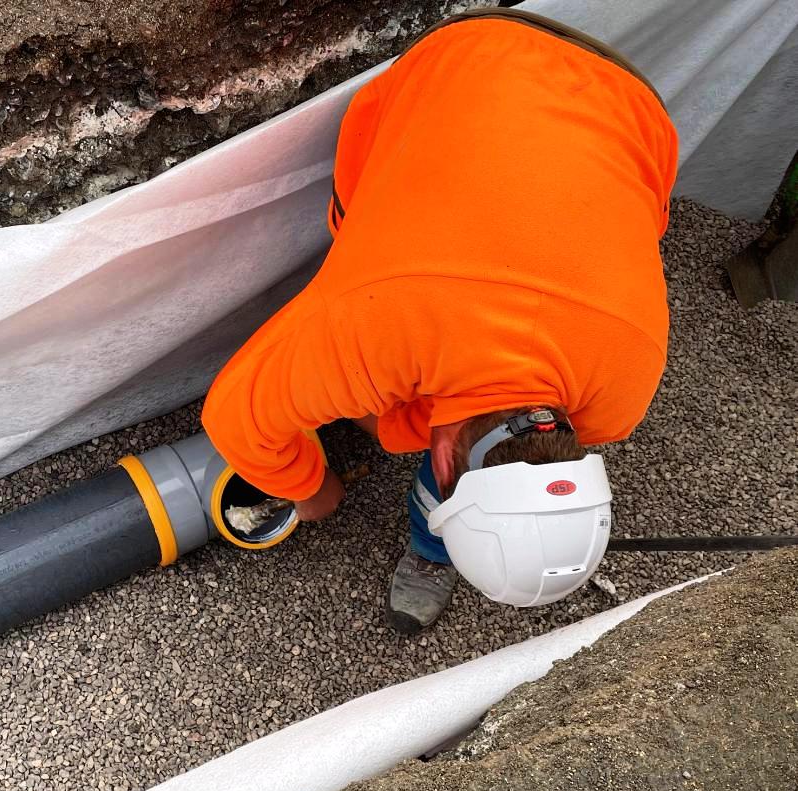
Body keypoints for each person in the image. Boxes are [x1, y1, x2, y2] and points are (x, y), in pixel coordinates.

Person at [202, 7, 678, 632]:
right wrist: (311, 490)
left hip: (633, 105)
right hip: (458, 58)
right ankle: (435, 547)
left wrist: (392, 426)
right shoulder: (367, 327)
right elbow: (232, 417)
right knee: (355, 225)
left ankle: (434, 545)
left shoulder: (625, 391)